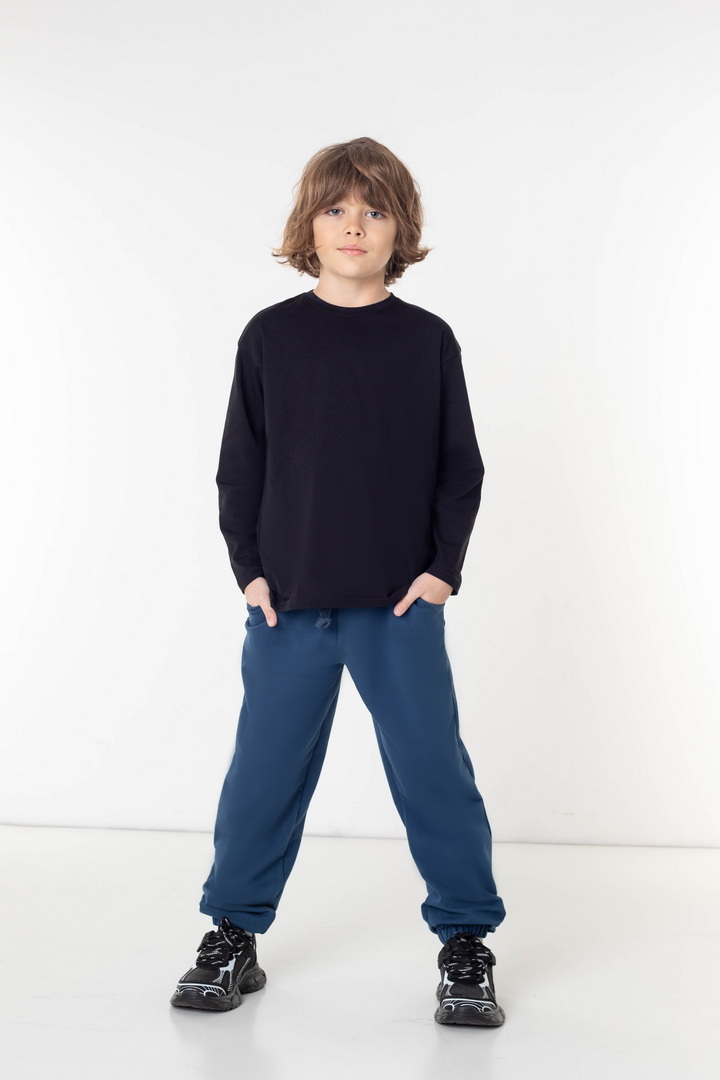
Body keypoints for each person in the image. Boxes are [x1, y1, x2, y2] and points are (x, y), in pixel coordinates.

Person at [170, 137, 507, 1026]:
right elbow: (241, 465)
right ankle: (232, 933)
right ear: (309, 226)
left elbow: (460, 468)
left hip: (398, 606)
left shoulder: (426, 341)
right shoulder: (271, 336)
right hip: (288, 606)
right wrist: (249, 571)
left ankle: (466, 942)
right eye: (336, 209)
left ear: (400, 231)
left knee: (434, 773)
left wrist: (442, 571)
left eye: (374, 210)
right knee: (262, 777)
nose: (354, 225)